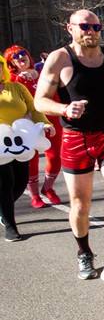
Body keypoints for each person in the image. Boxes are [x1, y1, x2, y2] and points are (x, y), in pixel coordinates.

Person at [34, 9, 104, 289]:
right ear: (70, 28)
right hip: (76, 138)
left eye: (96, 26)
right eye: (85, 26)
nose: (91, 31)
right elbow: (40, 101)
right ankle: (84, 252)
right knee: (80, 205)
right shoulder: (60, 59)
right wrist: (64, 108)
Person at [1, 56, 53, 241]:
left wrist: (44, 124)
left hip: (20, 141)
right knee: (6, 183)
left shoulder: (16, 87)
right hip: (0, 145)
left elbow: (35, 108)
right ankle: (10, 226)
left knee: (21, 181)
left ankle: (3, 209)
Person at [4, 45, 62, 208]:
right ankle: (35, 195)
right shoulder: (13, 80)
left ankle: (48, 188)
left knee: (56, 157)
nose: (20, 57)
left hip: (53, 122)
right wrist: (17, 78)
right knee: (32, 160)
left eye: (22, 53)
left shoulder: (43, 74)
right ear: (11, 63)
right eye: (15, 57)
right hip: (28, 125)